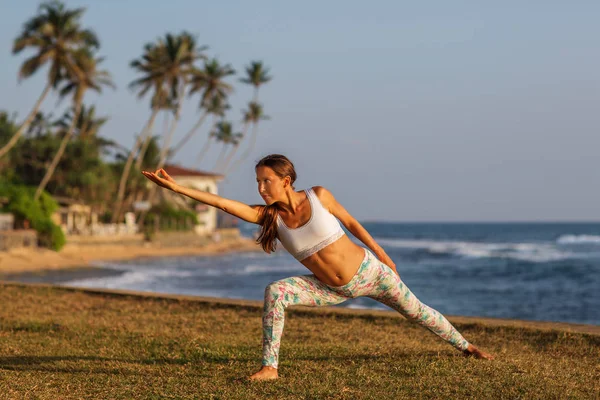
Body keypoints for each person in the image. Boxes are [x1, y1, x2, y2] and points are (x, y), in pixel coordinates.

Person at [142, 154, 493, 381]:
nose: (261, 188)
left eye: (266, 181)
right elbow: (221, 203)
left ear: (286, 180)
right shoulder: (269, 217)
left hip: (372, 274)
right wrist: (176, 188)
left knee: (419, 312)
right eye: (257, 182)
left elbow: (352, 224)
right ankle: (270, 367)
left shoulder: (318, 196)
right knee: (275, 292)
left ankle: (467, 347)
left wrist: (382, 253)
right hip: (331, 289)